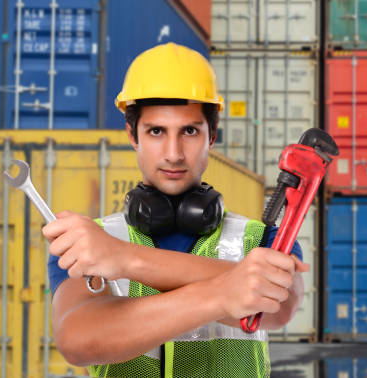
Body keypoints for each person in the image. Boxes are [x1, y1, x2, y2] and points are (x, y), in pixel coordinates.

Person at [43, 42, 307, 377]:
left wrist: (127, 260)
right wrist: (227, 290)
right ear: (132, 134)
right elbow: (79, 340)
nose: (173, 153)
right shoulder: (89, 243)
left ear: (212, 137)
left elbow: (279, 309)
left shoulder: (261, 237)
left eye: (190, 131)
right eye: (156, 131)